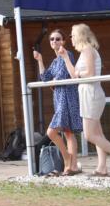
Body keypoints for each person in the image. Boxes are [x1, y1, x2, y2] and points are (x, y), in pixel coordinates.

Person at [60, 23, 110, 177]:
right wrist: (66, 57)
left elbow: (91, 74)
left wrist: (80, 74)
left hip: (91, 93)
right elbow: (74, 75)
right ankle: (102, 167)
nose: (70, 38)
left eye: (72, 35)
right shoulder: (84, 52)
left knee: (89, 135)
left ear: (79, 35)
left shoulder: (87, 50)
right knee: (98, 134)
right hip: (87, 92)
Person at [33, 29, 82, 176]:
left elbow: (63, 76)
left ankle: (68, 160)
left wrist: (54, 82)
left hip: (67, 97)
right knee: (67, 133)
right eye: (52, 39)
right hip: (59, 98)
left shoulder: (68, 55)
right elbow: (45, 78)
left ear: (64, 41)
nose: (55, 41)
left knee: (53, 132)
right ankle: (71, 165)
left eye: (58, 39)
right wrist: (40, 60)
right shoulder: (55, 61)